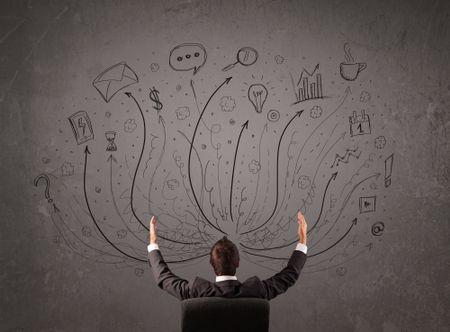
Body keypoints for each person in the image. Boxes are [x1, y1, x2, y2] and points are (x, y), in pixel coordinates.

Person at [147, 211, 307, 301]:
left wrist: (153, 241)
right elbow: (289, 276)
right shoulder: (256, 290)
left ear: (211, 263)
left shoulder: (196, 290)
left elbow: (163, 278)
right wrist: (302, 240)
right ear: (238, 263)